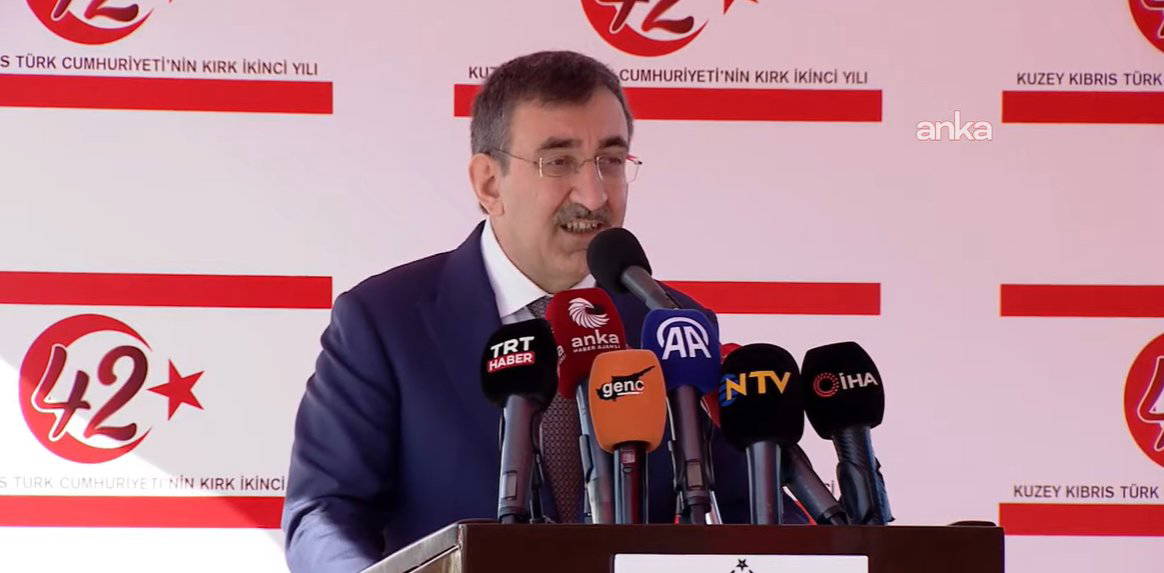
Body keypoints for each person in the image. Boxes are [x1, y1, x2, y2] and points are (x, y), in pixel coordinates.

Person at [281, 50, 800, 573]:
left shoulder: (670, 323)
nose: (593, 195)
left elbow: (758, 512)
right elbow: (323, 513)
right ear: (489, 183)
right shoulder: (385, 321)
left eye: (611, 161)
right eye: (559, 162)